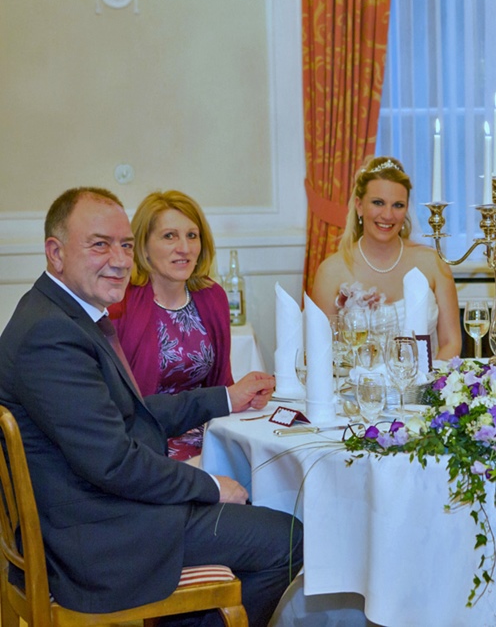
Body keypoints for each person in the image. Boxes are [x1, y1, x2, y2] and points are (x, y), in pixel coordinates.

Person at [0, 187, 302, 627]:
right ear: (56, 252)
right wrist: (211, 486)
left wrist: (222, 397)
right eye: (100, 244)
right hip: (99, 539)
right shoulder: (52, 336)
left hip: (97, 513)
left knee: (254, 513)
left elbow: (131, 413)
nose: (120, 259)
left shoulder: (60, 314)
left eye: (124, 245)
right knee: (289, 538)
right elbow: (114, 463)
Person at [108, 190, 232, 461]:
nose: (184, 248)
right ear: (143, 245)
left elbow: (222, 383)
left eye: (192, 235)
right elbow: (119, 403)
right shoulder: (121, 303)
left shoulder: (212, 296)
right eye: (169, 236)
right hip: (146, 442)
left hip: (210, 434)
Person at [311, 156, 461, 360]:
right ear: (359, 206)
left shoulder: (433, 263)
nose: (388, 215)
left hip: (424, 387)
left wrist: (425, 385)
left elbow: (451, 343)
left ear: (406, 209)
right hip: (354, 390)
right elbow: (321, 352)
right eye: (378, 203)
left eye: (398, 205)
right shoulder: (331, 271)